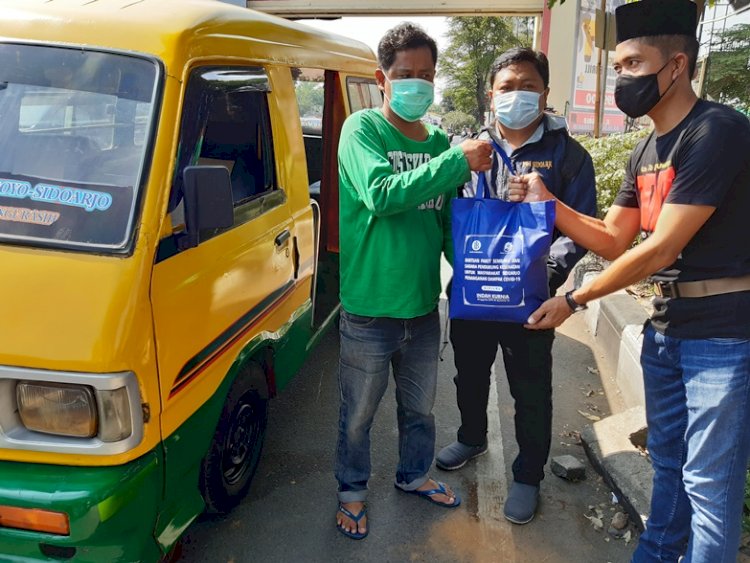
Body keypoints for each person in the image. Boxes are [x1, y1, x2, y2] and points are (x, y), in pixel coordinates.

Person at [510, 0, 750, 560]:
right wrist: (550, 204)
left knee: (710, 487)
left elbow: (661, 246)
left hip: (723, 334)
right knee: (668, 465)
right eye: (617, 67)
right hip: (667, 330)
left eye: (634, 64)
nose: (622, 78)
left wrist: (574, 297)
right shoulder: (645, 149)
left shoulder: (716, 131)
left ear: (677, 65)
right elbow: (615, 238)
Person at [334, 22, 493, 540]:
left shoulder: (440, 141)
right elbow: (381, 194)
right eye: (406, 75)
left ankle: (413, 475)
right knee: (358, 414)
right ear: (383, 78)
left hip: (424, 308)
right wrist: (453, 162)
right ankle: (352, 492)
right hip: (369, 309)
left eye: (426, 75)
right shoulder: (362, 130)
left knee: (419, 409)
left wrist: (481, 281)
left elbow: (445, 224)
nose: (416, 84)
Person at [435, 47, 597, 525]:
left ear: (545, 93)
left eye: (528, 86)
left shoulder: (568, 154)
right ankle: (471, 436)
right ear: (491, 95)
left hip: (532, 300)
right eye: (507, 87)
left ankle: (528, 474)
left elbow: (583, 228)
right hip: (475, 291)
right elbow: (447, 215)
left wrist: (547, 275)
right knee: (469, 372)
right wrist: (460, 266)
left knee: (530, 387)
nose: (517, 95)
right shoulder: (467, 150)